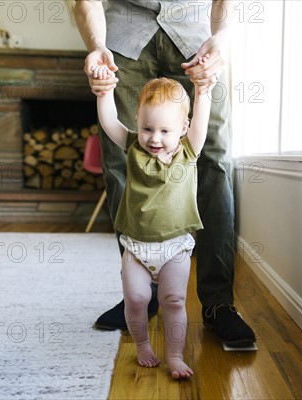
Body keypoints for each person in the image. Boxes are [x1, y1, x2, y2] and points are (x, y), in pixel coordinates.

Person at [74, 0, 256, 346]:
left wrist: (223, 37)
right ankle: (142, 292)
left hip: (197, 40)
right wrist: (98, 46)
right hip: (123, 42)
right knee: (119, 160)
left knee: (213, 158)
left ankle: (219, 303)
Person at [95, 59, 211, 377]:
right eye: (147, 128)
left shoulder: (189, 151)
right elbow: (108, 123)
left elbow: (201, 121)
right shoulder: (133, 146)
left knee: (173, 300)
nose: (154, 138)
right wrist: (104, 92)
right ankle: (143, 345)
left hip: (175, 247)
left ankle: (174, 355)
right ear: (138, 123)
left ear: (183, 129)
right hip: (136, 245)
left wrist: (203, 91)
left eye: (164, 130)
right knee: (136, 298)